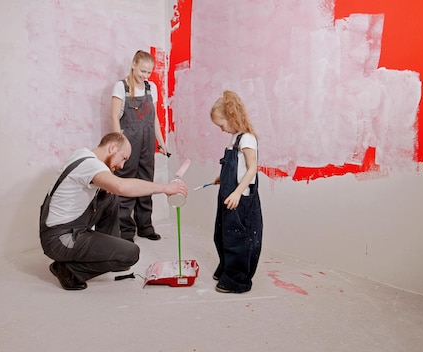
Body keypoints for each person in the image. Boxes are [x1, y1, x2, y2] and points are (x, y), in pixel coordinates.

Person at [39, 132, 187, 290]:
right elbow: (121, 186)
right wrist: (165, 188)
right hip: (60, 239)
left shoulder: (82, 154)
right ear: (112, 147)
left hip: (62, 229)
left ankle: (110, 252)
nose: (122, 165)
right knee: (130, 254)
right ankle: (69, 270)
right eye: (123, 158)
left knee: (110, 197)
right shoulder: (91, 165)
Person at [110, 50, 168, 242]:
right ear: (133, 64)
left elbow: (155, 118)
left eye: (149, 72)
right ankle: (125, 231)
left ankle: (145, 226)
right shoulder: (121, 87)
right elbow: (114, 117)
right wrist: (119, 145)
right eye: (142, 71)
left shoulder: (151, 88)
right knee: (126, 183)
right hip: (129, 141)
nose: (145, 76)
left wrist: (161, 141)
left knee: (146, 182)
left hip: (147, 141)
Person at [209, 90, 263, 294]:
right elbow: (234, 166)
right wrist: (222, 177)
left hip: (240, 199)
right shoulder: (234, 138)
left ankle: (237, 279)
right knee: (222, 234)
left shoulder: (247, 139)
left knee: (238, 239)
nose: (221, 129)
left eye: (221, 124)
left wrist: (238, 192)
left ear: (231, 118)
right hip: (228, 195)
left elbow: (252, 168)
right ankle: (226, 268)